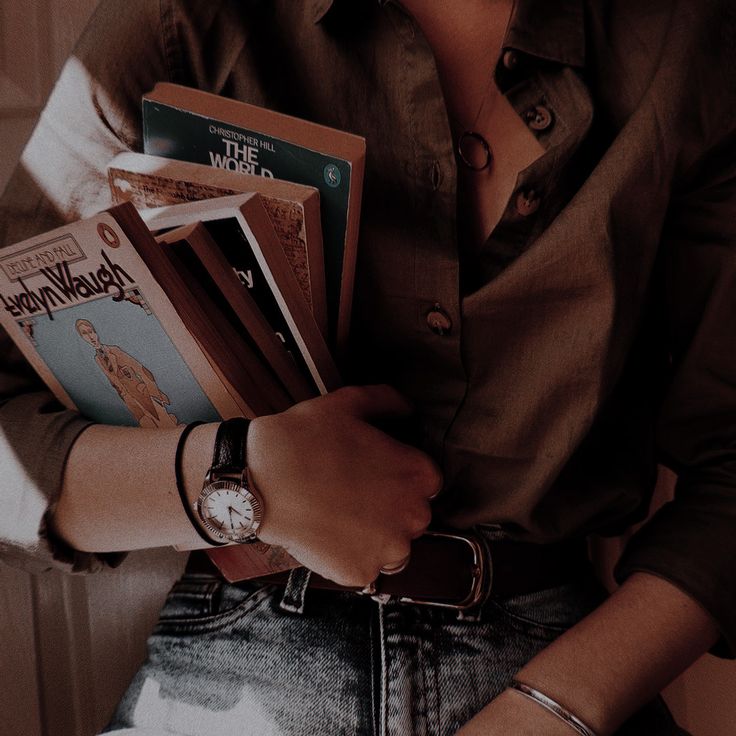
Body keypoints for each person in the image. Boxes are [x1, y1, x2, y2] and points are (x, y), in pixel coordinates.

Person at [0, 0, 734, 734]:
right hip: (238, 661)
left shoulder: (691, 36)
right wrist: (243, 481)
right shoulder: (182, 19)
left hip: (575, 666)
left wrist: (556, 711)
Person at [75, 318, 180, 428]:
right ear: (82, 338)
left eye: (91, 331)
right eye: (85, 333)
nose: (90, 337)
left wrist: (155, 392)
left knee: (166, 422)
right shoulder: (97, 359)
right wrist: (126, 399)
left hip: (143, 393)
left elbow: (140, 369)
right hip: (130, 400)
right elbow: (114, 383)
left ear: (95, 333)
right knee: (149, 427)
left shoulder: (114, 350)